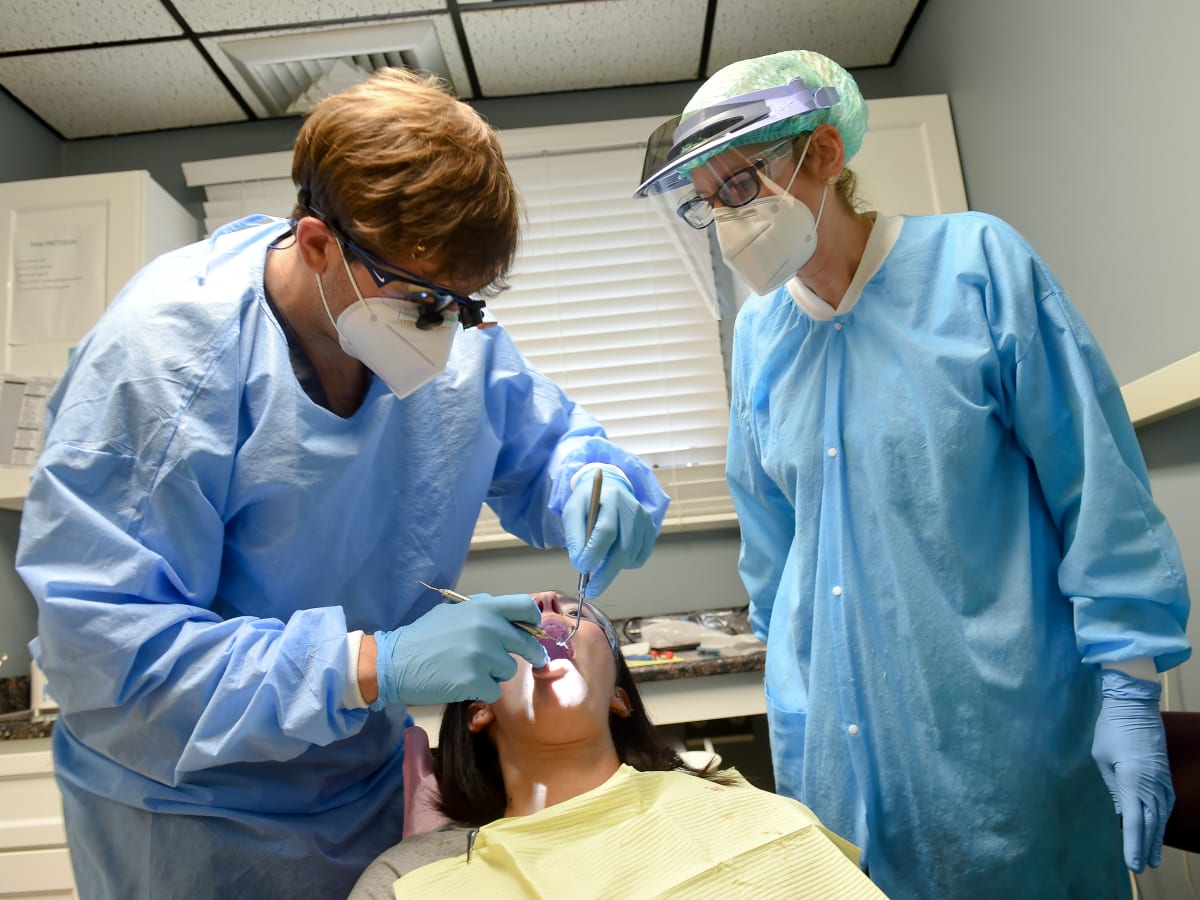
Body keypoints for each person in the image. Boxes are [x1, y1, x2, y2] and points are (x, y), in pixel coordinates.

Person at [15, 68, 668, 900]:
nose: (448, 333)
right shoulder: (161, 368)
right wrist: (372, 663)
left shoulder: (448, 330)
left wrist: (593, 479)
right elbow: (108, 663)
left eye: (465, 307)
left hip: (361, 787)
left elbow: (545, 444)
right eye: (427, 303)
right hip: (187, 809)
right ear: (320, 244)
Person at [633, 50, 1191, 898]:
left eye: (741, 186)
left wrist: (1130, 680)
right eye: (709, 203)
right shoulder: (759, 337)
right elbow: (775, 557)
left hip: (1004, 745)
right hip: (836, 768)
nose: (728, 219)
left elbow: (1098, 488)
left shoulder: (978, 267)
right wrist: (795, 696)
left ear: (823, 154)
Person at [350, 592, 887, 898]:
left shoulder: (739, 809)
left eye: (573, 610)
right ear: (478, 710)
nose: (545, 605)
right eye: (517, 624)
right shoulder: (409, 880)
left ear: (619, 700)